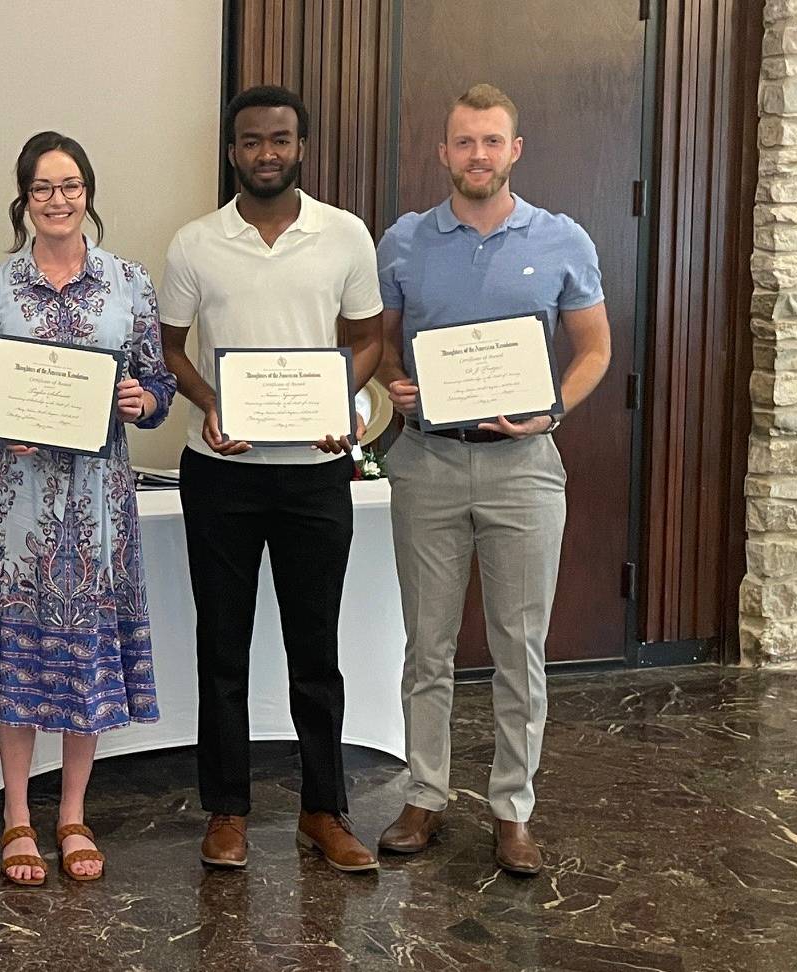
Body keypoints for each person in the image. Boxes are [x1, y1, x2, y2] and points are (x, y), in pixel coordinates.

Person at [373, 83, 612, 876]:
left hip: (524, 470)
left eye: (492, 141)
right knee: (427, 648)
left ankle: (513, 808)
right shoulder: (404, 242)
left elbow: (594, 350)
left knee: (520, 648)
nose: (478, 155)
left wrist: (550, 413)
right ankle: (426, 794)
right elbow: (384, 348)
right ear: (443, 153)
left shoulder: (563, 239)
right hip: (429, 462)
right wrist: (396, 387)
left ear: (515, 150)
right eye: (464, 142)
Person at [158, 86, 384, 873]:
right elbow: (170, 347)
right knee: (223, 649)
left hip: (316, 474)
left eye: (279, 139)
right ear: (232, 151)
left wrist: (341, 399)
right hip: (222, 472)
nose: (265, 153)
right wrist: (211, 400)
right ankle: (226, 811)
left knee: (314, 651)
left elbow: (366, 341)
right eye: (251, 141)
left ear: (301, 146)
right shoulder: (194, 244)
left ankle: (324, 810)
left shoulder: (346, 236)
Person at [0, 132, 175, 885]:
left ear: (88, 193)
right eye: (42, 188)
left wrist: (145, 401)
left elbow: (157, 384)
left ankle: (72, 813)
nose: (57, 200)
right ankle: (17, 815)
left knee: (84, 660)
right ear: (23, 199)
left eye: (70, 186)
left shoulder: (130, 283)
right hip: (15, 506)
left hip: (100, 506)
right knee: (19, 658)